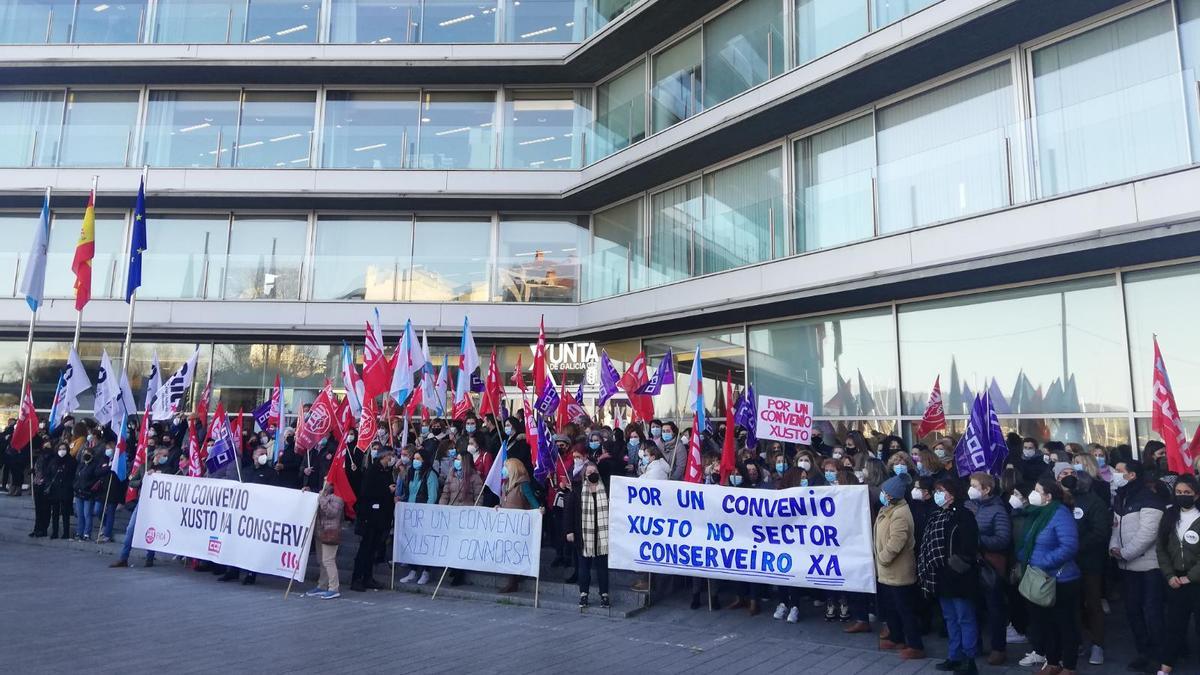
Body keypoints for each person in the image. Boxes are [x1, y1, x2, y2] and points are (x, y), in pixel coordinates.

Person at [1017, 476, 1081, 675]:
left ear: (1048, 496)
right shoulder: (1037, 513)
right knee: (1045, 623)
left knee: (1065, 624)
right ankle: (1052, 662)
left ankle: (1069, 666)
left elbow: (1069, 546)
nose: (1033, 494)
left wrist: (1043, 562)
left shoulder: (1060, 513)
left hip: (1060, 579)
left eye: (1037, 491)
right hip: (1037, 576)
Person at [917, 477, 979, 675]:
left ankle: (969, 660)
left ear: (952, 494)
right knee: (950, 618)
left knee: (964, 618)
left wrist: (956, 565)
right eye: (936, 490)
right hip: (941, 576)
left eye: (941, 490)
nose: (937, 494)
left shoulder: (964, 515)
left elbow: (969, 546)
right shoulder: (936, 515)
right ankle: (954, 656)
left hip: (959, 576)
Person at [1109, 459, 1165, 674]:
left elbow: (1148, 533)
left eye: (1119, 471)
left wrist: (1125, 553)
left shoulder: (1149, 498)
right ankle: (1143, 652)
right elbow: (1115, 527)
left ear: (1132, 475)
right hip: (1126, 567)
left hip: (1149, 567)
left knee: (1152, 612)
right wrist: (1114, 548)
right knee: (1133, 611)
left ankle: (1159, 657)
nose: (1114, 474)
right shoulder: (1121, 497)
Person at [1061, 466, 1110, 666]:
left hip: (1089, 562)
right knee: (1074, 605)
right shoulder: (1064, 502)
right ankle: (1078, 641)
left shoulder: (1094, 503)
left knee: (1092, 603)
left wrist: (1076, 546)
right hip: (1069, 562)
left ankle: (1097, 644)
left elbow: (1100, 532)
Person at [964, 472, 1011, 666]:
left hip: (990, 565)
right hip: (970, 564)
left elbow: (1003, 539)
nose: (971, 489)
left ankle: (998, 648)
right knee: (973, 606)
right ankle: (974, 645)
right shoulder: (968, 506)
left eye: (975, 486)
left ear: (986, 489)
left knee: (994, 608)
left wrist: (977, 539)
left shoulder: (998, 510)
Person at [876, 475, 925, 660]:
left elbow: (896, 542)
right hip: (887, 571)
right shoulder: (888, 509)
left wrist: (882, 558)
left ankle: (915, 645)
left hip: (898, 570)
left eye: (884, 492)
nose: (882, 495)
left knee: (905, 609)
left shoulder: (900, 514)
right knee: (892, 608)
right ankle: (897, 638)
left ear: (891, 495)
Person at [1156, 474, 1200, 674]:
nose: (1183, 496)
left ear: (1196, 495)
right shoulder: (1170, 515)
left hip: (1195, 580)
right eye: (1179, 492)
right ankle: (1165, 667)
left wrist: (1190, 577)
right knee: (1174, 626)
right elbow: (1161, 548)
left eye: (1187, 493)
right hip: (1175, 579)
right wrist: (1169, 575)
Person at [220, 447, 279, 584]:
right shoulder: (245, 472)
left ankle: (251, 573)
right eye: (260, 454)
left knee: (253, 545)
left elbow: (275, 493)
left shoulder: (271, 473)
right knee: (237, 542)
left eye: (265, 454)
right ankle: (232, 571)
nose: (263, 456)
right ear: (253, 456)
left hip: (259, 514)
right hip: (243, 513)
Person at [351, 446, 397, 592]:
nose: (392, 459)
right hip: (369, 516)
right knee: (365, 548)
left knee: (373, 549)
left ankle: (368, 577)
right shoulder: (372, 471)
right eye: (390, 456)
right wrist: (386, 491)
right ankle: (357, 579)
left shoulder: (387, 472)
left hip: (382, 516)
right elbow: (366, 491)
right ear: (384, 456)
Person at [566, 461, 610, 609]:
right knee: (584, 566)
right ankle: (583, 595)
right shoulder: (577, 491)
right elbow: (569, 512)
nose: (592, 474)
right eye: (589, 472)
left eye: (594, 471)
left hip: (602, 535)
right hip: (583, 534)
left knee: (602, 567)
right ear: (584, 475)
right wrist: (569, 531)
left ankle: (604, 595)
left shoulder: (607, 490)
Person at [498, 457, 542, 594]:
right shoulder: (506, 485)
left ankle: (513, 582)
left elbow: (533, 502)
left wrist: (539, 509)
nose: (504, 469)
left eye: (507, 466)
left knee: (513, 553)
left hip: (519, 526)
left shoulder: (523, 485)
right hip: (507, 525)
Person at [398, 446, 439, 585]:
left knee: (424, 544)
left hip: (423, 514)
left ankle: (426, 571)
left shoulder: (430, 475)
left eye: (418, 459)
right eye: (414, 459)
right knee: (412, 543)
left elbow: (432, 496)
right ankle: (413, 571)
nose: (415, 461)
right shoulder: (411, 472)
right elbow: (409, 492)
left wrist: (426, 513)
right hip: (411, 512)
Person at [305, 480, 345, 599]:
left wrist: (321, 498)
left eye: (326, 481)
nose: (324, 483)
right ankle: (322, 585)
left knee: (328, 560)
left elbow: (332, 512)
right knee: (321, 560)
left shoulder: (338, 497)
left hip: (330, 532)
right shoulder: (324, 496)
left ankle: (334, 587)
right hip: (320, 532)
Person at [46, 443, 76, 539]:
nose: (62, 451)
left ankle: (66, 533)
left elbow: (73, 475)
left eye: (64, 449)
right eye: (60, 449)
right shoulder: (53, 460)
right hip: (55, 490)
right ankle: (54, 532)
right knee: (55, 512)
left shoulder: (71, 461)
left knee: (65, 513)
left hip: (66, 490)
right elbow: (48, 474)